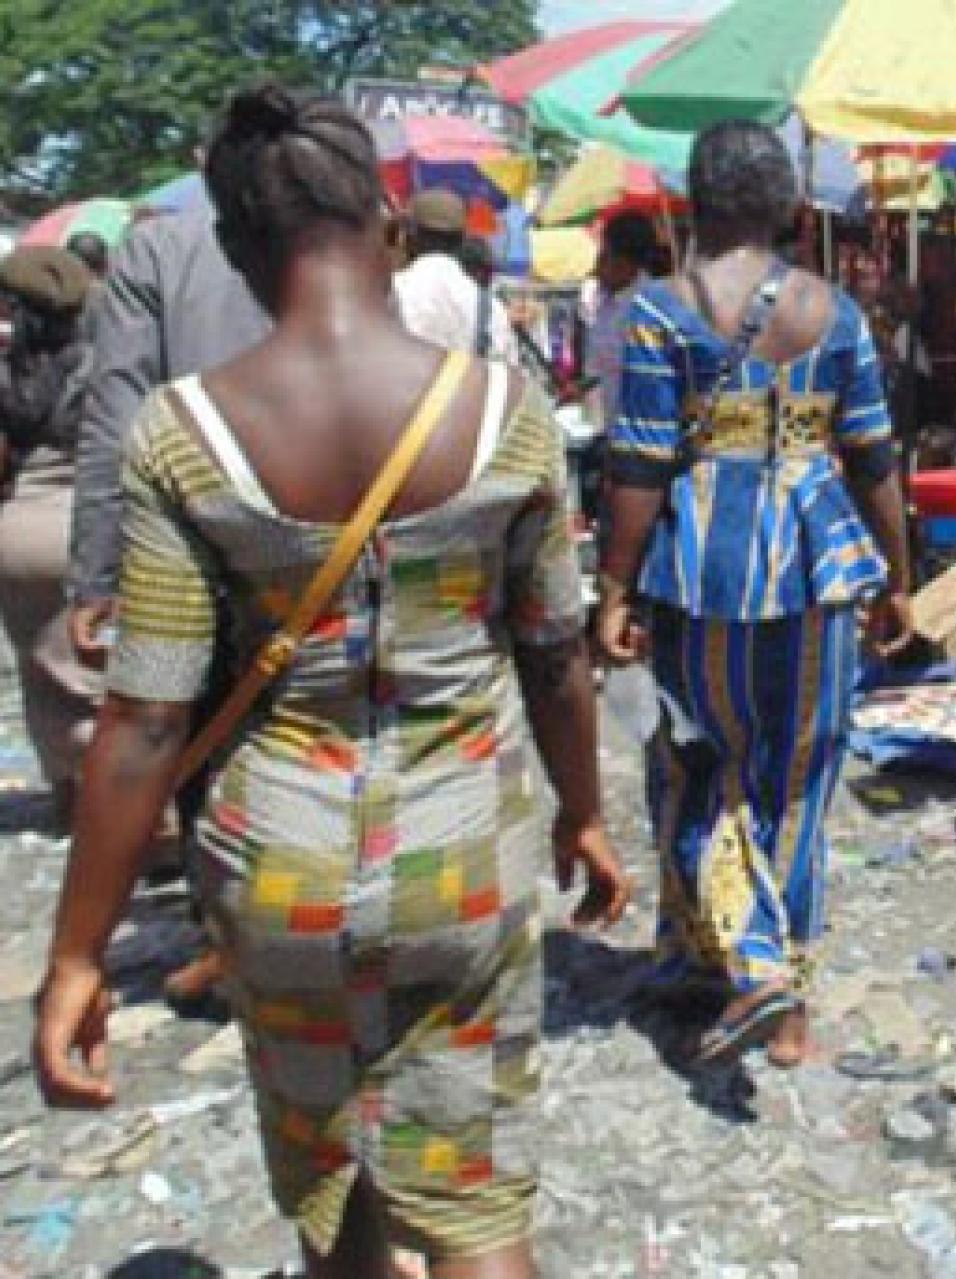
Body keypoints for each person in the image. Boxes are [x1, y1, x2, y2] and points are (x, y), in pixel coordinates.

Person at [33, 85, 630, 1278]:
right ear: (389, 227)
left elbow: (145, 716)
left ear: (236, 249)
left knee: (335, 1186)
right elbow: (555, 652)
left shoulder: (183, 433)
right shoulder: (504, 414)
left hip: (278, 872)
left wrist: (79, 951)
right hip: (464, 854)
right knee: (473, 1209)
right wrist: (584, 811)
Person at [596, 121, 914, 1070]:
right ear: (785, 207)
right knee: (798, 784)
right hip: (818, 562)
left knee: (696, 766)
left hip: (702, 568)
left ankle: (742, 964)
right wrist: (899, 578)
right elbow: (875, 454)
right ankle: (785, 1008)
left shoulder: (659, 311)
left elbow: (639, 465)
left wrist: (613, 588)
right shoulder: (838, 313)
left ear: (696, 201)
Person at [68, 152, 275, 1009]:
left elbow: (115, 412)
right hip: (322, 527)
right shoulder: (337, 240)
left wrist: (96, 569)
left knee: (186, 726)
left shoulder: (157, 250)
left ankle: (229, 934)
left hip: (190, 538)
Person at [0, 247, 102, 829]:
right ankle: (121, 802)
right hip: (92, 525)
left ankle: (67, 796)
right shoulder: (106, 364)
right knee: (101, 670)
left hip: (19, 531)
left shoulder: (11, 371)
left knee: (41, 673)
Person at [393, 188, 519, 365]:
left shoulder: (388, 293)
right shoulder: (491, 307)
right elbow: (504, 372)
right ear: (462, 239)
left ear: (409, 235)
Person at [584, 210, 659, 427]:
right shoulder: (605, 303)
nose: (596, 267)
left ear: (624, 264)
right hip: (604, 428)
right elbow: (598, 368)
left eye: (604, 257)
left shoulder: (648, 310)